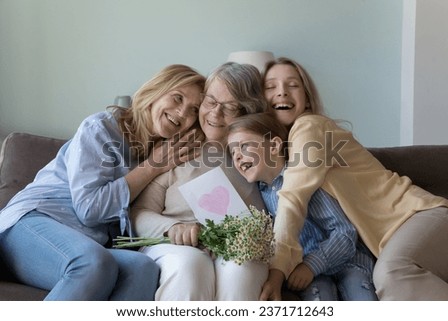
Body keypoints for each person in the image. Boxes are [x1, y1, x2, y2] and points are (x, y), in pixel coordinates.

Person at [0, 64, 206, 300]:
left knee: (142, 268)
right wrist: (152, 166)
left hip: (91, 243)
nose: (182, 113)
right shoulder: (100, 128)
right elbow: (90, 210)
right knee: (92, 262)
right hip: (32, 222)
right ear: (156, 92)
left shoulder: (165, 153)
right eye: (177, 98)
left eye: (194, 110)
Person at [258, 57, 448, 300]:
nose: (282, 92)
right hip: (397, 236)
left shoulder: (310, 127)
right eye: (271, 86)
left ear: (306, 97)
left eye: (293, 85)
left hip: (419, 217)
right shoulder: (279, 154)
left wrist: (276, 271)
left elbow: (293, 198)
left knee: (392, 274)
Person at [130, 62, 269, 300]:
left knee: (241, 269)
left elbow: (265, 225)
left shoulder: (253, 156)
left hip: (234, 247)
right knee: (191, 265)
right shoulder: (177, 148)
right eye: (211, 102)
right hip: (171, 244)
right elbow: (139, 213)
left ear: (246, 112)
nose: (215, 114)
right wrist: (172, 229)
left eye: (231, 108)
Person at [227, 112, 378, 300]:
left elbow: (345, 233)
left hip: (347, 262)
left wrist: (311, 265)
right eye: (232, 152)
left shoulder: (303, 179)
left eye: (244, 146)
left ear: (274, 146)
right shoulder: (259, 194)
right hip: (305, 272)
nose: (238, 157)